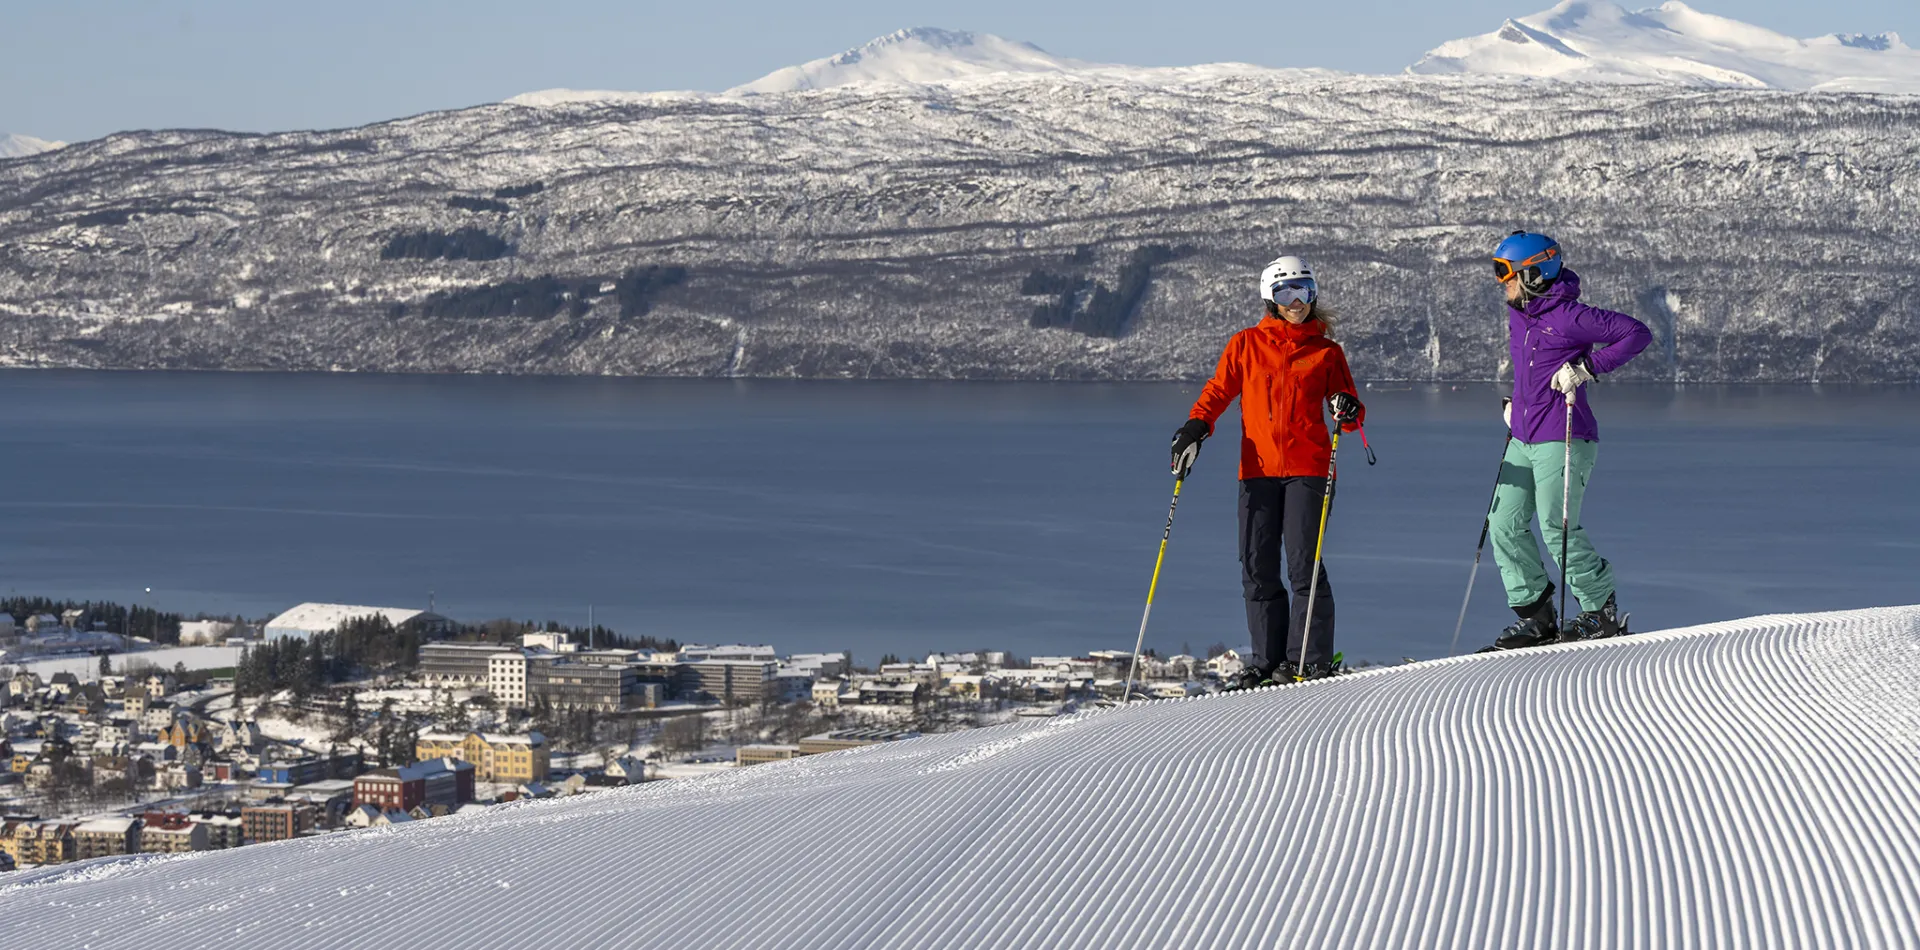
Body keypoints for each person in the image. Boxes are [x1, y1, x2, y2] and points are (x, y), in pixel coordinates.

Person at [1171, 255, 1364, 688]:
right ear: (1270, 298)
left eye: (1304, 291)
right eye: (1286, 292)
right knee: (1257, 564)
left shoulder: (1326, 353)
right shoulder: (1245, 345)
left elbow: (1348, 414)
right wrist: (1197, 426)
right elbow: (1219, 390)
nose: (1296, 301)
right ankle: (1267, 660)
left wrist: (1348, 408)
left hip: (1308, 469)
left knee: (1301, 563)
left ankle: (1308, 660)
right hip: (1256, 470)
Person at [1487, 231, 1652, 649]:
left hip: (1563, 437)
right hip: (1523, 435)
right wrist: (1517, 405)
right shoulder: (1519, 314)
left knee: (1555, 526)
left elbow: (1636, 334)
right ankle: (1537, 617)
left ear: (1534, 274)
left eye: (1505, 273)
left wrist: (1586, 367)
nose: (1499, 281)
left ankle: (1600, 612)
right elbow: (1532, 371)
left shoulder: (1569, 316)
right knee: (1503, 523)